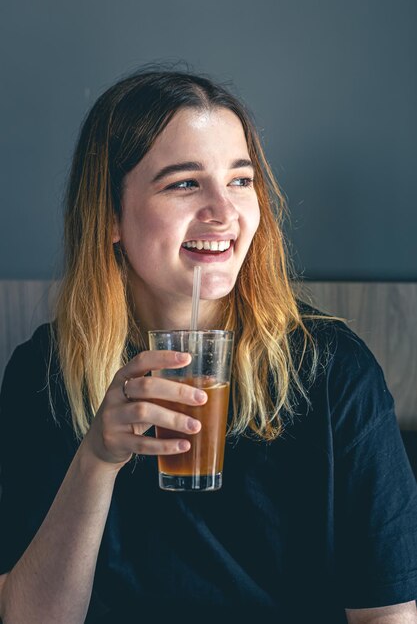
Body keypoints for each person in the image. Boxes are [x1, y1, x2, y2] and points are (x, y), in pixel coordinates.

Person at [0, 68, 416, 624]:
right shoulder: (44, 372)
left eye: (241, 181)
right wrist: (96, 460)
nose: (224, 212)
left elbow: (387, 614)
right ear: (109, 217)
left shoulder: (334, 369)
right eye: (184, 183)